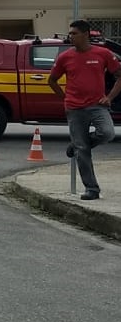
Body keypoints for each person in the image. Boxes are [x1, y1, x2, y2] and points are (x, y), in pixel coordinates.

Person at [47, 19, 121, 201]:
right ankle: (92, 189)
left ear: (86, 34)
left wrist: (109, 97)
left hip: (97, 105)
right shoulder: (65, 57)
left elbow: (119, 76)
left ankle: (77, 145)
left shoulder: (103, 54)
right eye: (70, 33)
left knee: (107, 133)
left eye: (74, 33)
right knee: (83, 151)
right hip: (74, 108)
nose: (70, 37)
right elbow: (52, 80)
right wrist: (64, 98)